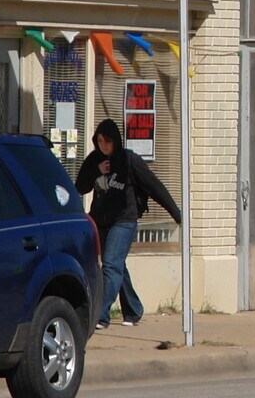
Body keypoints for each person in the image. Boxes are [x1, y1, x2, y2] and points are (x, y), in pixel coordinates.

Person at [76, 118, 181, 329]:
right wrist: (96, 170)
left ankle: (100, 315)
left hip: (124, 220)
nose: (104, 145)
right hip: (101, 221)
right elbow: (80, 186)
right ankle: (134, 310)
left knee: (112, 265)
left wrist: (176, 213)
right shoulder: (94, 159)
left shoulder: (129, 160)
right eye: (100, 141)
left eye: (108, 141)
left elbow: (154, 186)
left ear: (116, 141)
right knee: (116, 266)